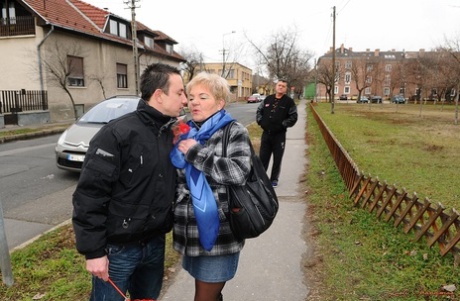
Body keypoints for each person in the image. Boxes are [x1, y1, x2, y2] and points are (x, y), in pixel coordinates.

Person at [72, 63, 188, 301]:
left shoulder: (171, 133)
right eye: (179, 93)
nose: (185, 100)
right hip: (118, 250)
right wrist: (94, 252)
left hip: (155, 244)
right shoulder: (117, 134)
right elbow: (90, 195)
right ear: (159, 95)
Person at [170, 72, 252, 301]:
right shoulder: (187, 130)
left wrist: (195, 153)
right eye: (192, 96)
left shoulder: (233, 131)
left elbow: (238, 173)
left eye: (203, 97)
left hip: (219, 233)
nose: (194, 101)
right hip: (189, 231)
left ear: (219, 103)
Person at [256, 79, 298, 188]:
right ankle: (261, 178)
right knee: (263, 157)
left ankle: (274, 179)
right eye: (279, 85)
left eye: (283, 86)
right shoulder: (268, 99)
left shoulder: (289, 102)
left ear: (285, 89)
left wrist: (283, 124)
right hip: (266, 134)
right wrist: (261, 121)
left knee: (277, 158)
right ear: (276, 86)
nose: (280, 87)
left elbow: (293, 117)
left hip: (279, 136)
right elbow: (259, 111)